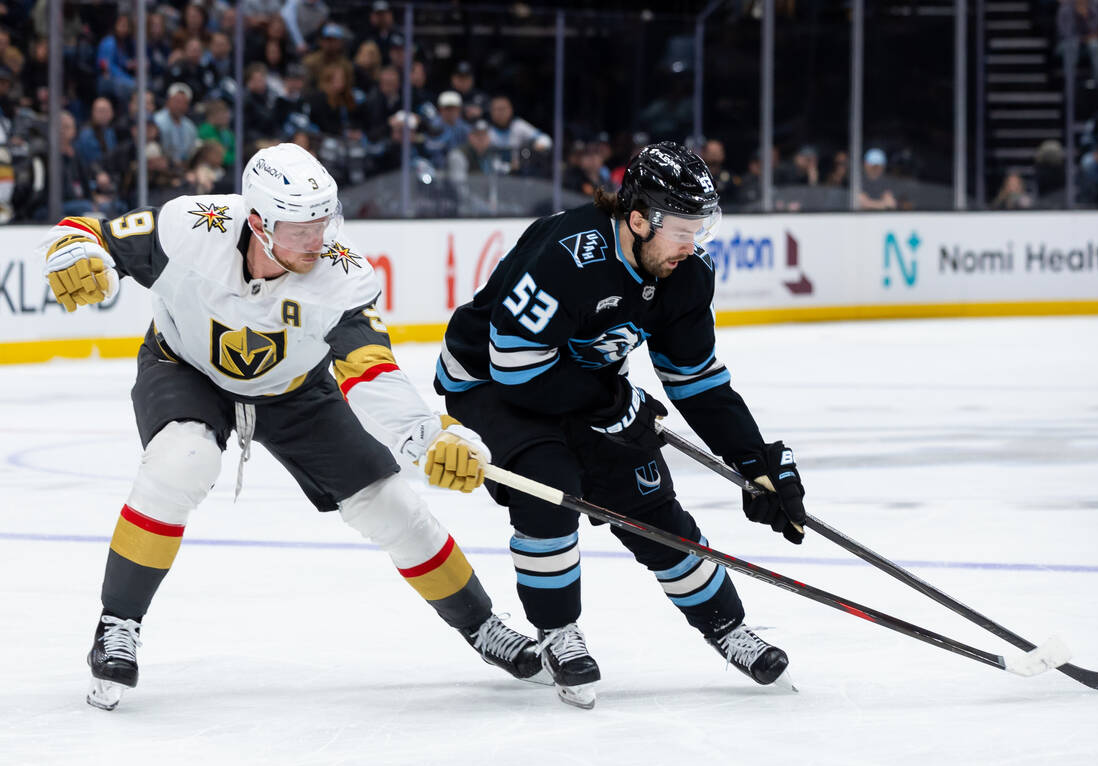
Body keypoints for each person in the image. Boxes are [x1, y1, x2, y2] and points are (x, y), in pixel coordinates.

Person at [38, 142, 546, 712]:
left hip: (296, 391)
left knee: (391, 505)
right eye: (302, 228)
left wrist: (430, 435)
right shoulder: (192, 226)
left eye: (324, 222)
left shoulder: (343, 276)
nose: (319, 241)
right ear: (257, 222)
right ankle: (117, 624)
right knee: (181, 461)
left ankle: (481, 626)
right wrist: (72, 250)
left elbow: (371, 370)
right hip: (186, 368)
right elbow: (93, 232)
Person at [433, 141, 806, 709]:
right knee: (551, 485)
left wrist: (753, 460)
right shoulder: (566, 255)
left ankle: (727, 626)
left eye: (700, 227)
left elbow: (697, 381)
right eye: (682, 228)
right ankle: (557, 630)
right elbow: (515, 367)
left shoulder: (685, 273)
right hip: (489, 383)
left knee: (649, 502)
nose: (693, 244)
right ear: (637, 219)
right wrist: (611, 405)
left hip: (580, 384)